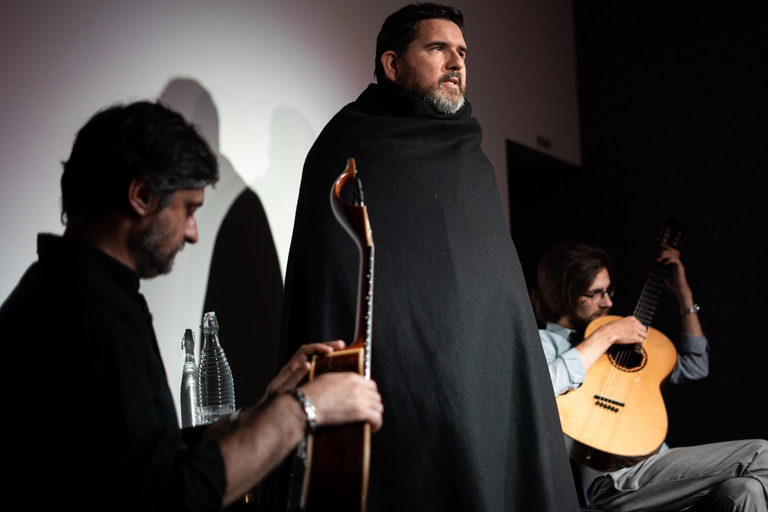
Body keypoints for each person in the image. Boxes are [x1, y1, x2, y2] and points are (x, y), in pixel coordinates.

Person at [0, 101, 383, 511]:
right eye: (188, 209)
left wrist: (257, 415)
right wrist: (303, 410)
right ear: (142, 195)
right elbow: (168, 496)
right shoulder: (87, 313)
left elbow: (141, 460)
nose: (192, 233)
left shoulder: (74, 292)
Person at [278, 3, 579, 511]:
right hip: (403, 388)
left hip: (486, 376)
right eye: (438, 48)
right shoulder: (346, 147)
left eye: (461, 52)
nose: (456, 62)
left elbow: (496, 289)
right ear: (392, 65)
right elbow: (333, 281)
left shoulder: (471, 155)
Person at [532, 242, 768, 512]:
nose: (608, 302)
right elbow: (542, 388)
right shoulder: (543, 343)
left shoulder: (623, 343)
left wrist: (683, 293)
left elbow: (695, 366)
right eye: (595, 294)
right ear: (562, 295)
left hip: (666, 477)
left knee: (745, 490)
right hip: (613, 480)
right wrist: (605, 335)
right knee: (762, 453)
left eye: (609, 291)